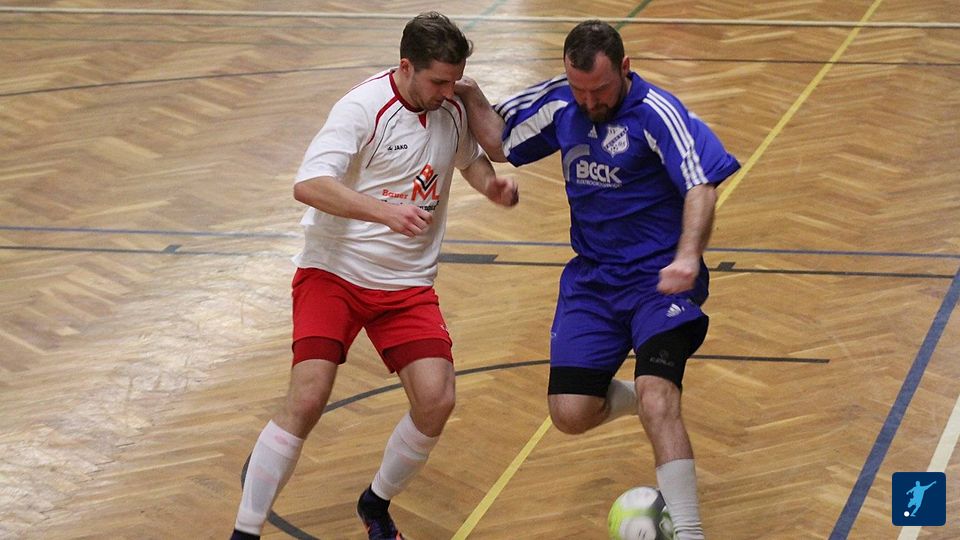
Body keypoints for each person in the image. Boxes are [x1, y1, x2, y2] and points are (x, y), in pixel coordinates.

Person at [229, 12, 518, 540]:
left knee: (437, 400)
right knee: (308, 397)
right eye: (439, 81)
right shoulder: (363, 107)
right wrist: (384, 213)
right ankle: (245, 530)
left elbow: (470, 159)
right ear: (406, 66)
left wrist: (491, 186)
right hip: (334, 274)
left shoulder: (451, 106)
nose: (448, 92)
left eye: (455, 81)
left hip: (406, 285)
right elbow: (309, 184)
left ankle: (375, 502)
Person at [455, 20, 740, 539]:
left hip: (659, 282)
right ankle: (645, 401)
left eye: (600, 90)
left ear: (625, 69)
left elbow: (701, 186)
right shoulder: (563, 102)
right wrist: (471, 93)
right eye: (579, 89)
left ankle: (689, 530)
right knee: (570, 413)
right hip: (592, 282)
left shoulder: (657, 113)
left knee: (659, 397)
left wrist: (687, 257)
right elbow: (498, 141)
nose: (589, 101)